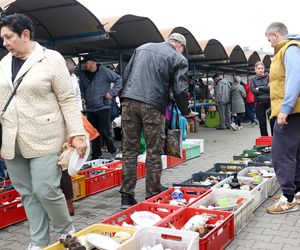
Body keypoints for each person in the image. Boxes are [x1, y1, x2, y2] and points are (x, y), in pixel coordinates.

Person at [0, 14, 88, 249]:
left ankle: (65, 230)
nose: (5, 43)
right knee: (27, 193)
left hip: (46, 136)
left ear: (25, 34)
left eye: (9, 37)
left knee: (45, 189)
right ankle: (38, 241)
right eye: (3, 38)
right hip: (12, 139)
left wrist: (77, 134)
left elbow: (67, 99)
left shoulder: (50, 59)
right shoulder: (3, 63)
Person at [120, 33, 195, 209]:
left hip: (128, 102)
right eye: (183, 49)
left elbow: (125, 76)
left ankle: (126, 196)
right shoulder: (178, 58)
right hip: (153, 106)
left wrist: (126, 97)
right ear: (179, 45)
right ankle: (152, 193)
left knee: (129, 150)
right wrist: (187, 112)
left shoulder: (142, 48)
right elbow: (180, 90)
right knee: (154, 151)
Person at [264, 22, 300, 214]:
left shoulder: (289, 49)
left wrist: (285, 109)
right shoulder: (291, 49)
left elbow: (295, 78)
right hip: (295, 111)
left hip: (290, 111)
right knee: (295, 153)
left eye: (269, 39)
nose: (269, 44)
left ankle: (288, 198)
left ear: (276, 35)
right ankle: (296, 192)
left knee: (281, 154)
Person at [80, 56, 122, 160]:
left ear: (93, 63)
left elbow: (119, 80)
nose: (84, 65)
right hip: (90, 108)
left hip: (103, 106)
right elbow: (82, 87)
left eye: (86, 62)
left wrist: (111, 93)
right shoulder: (83, 74)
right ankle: (96, 155)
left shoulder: (104, 71)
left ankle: (113, 150)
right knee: (93, 133)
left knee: (104, 131)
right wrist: (82, 97)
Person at [250, 61, 274, 136]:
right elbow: (253, 91)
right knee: (262, 123)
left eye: (262, 68)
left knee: (272, 122)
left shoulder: (269, 77)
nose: (260, 70)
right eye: (258, 68)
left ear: (264, 69)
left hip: (270, 103)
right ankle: (265, 140)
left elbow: (272, 89)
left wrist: (259, 88)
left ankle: (274, 140)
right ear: (255, 69)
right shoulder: (252, 79)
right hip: (259, 104)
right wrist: (266, 88)